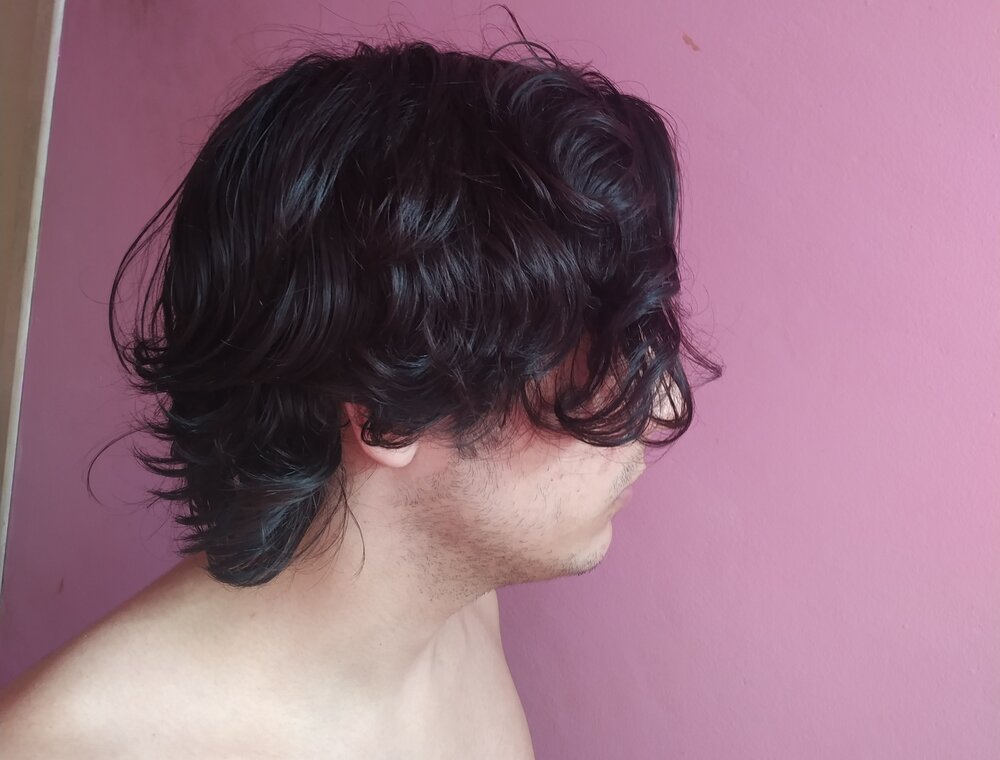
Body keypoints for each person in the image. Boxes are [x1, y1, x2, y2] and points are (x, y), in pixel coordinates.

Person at [0, 28, 721, 758]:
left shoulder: (465, 608)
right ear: (391, 414)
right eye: (599, 368)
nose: (662, 407)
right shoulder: (73, 746)